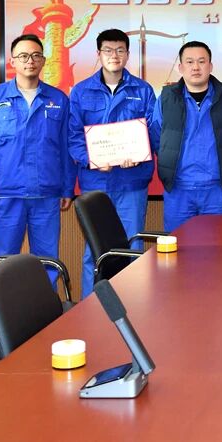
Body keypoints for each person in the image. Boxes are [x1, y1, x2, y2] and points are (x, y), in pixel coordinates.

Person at [0, 34, 74, 282]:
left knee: (48, 259)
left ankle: (46, 304)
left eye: (36, 55)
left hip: (46, 192)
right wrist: (1, 167)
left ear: (43, 61)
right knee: (4, 260)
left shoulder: (58, 99)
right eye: (24, 56)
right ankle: (4, 305)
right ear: (13, 61)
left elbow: (65, 146)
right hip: (8, 193)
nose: (30, 61)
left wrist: (67, 188)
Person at [68, 29, 156, 298]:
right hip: (96, 184)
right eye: (108, 50)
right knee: (94, 250)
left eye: (120, 50)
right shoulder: (81, 91)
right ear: (99, 54)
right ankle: (90, 306)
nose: (114, 55)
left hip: (132, 182)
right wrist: (92, 160)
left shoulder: (143, 90)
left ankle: (134, 305)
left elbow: (154, 132)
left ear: (128, 54)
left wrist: (139, 154)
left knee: (132, 249)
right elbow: (73, 136)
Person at [150, 41, 222, 232]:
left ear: (210, 66)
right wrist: (170, 158)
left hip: (215, 188)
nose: (196, 67)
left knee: (215, 246)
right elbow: (156, 134)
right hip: (178, 188)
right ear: (180, 67)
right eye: (190, 62)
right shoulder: (167, 98)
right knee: (177, 245)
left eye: (202, 61)